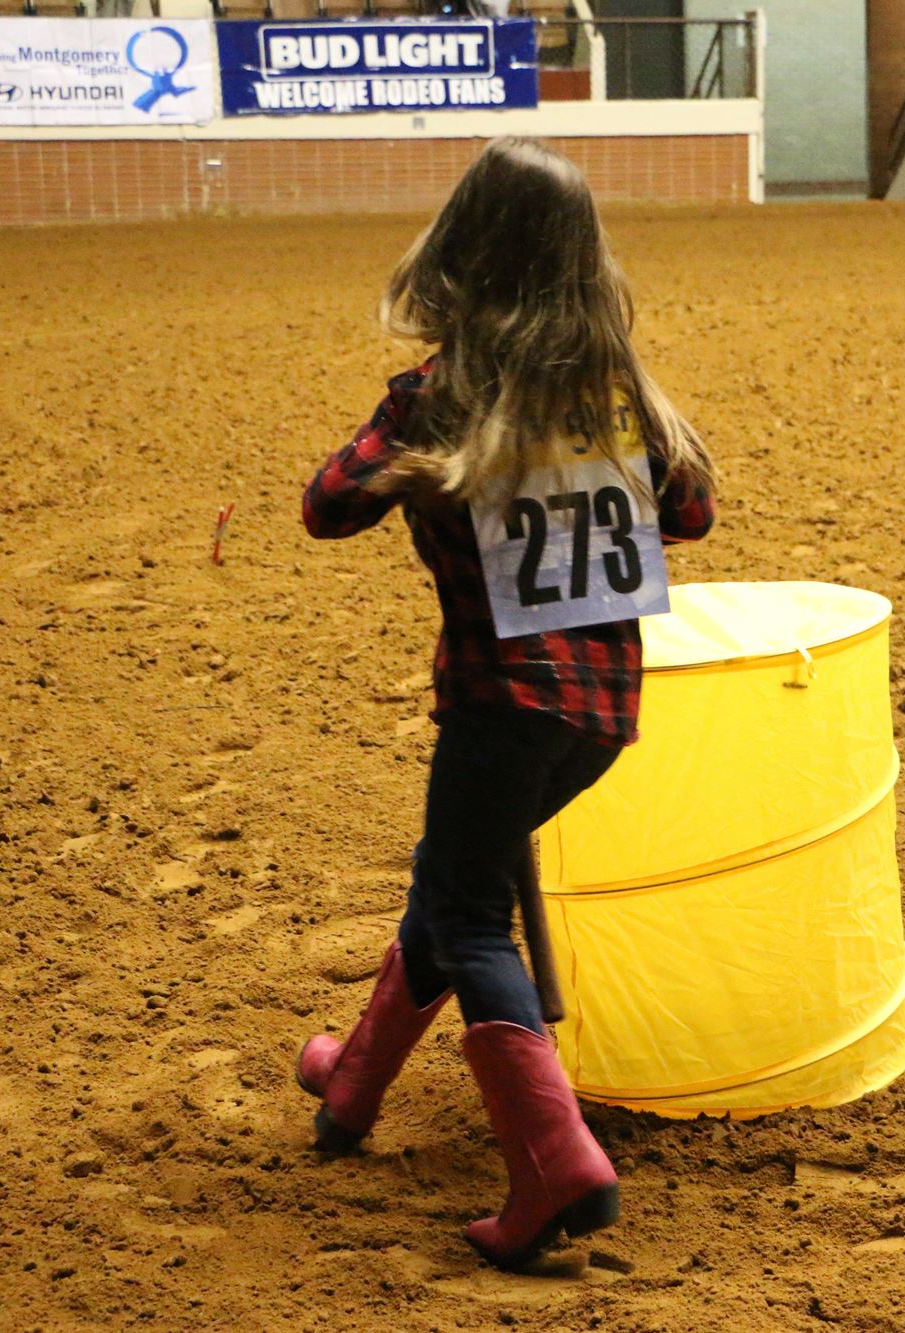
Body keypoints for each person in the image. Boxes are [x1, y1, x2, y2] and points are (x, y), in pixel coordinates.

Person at [294, 137, 716, 1269]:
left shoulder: (437, 399)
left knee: (474, 919)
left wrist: (409, 453)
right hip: (601, 716)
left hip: (492, 706)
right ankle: (351, 1087)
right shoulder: (615, 394)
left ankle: (552, 1158)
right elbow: (693, 513)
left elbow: (326, 505)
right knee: (454, 883)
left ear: (461, 254)